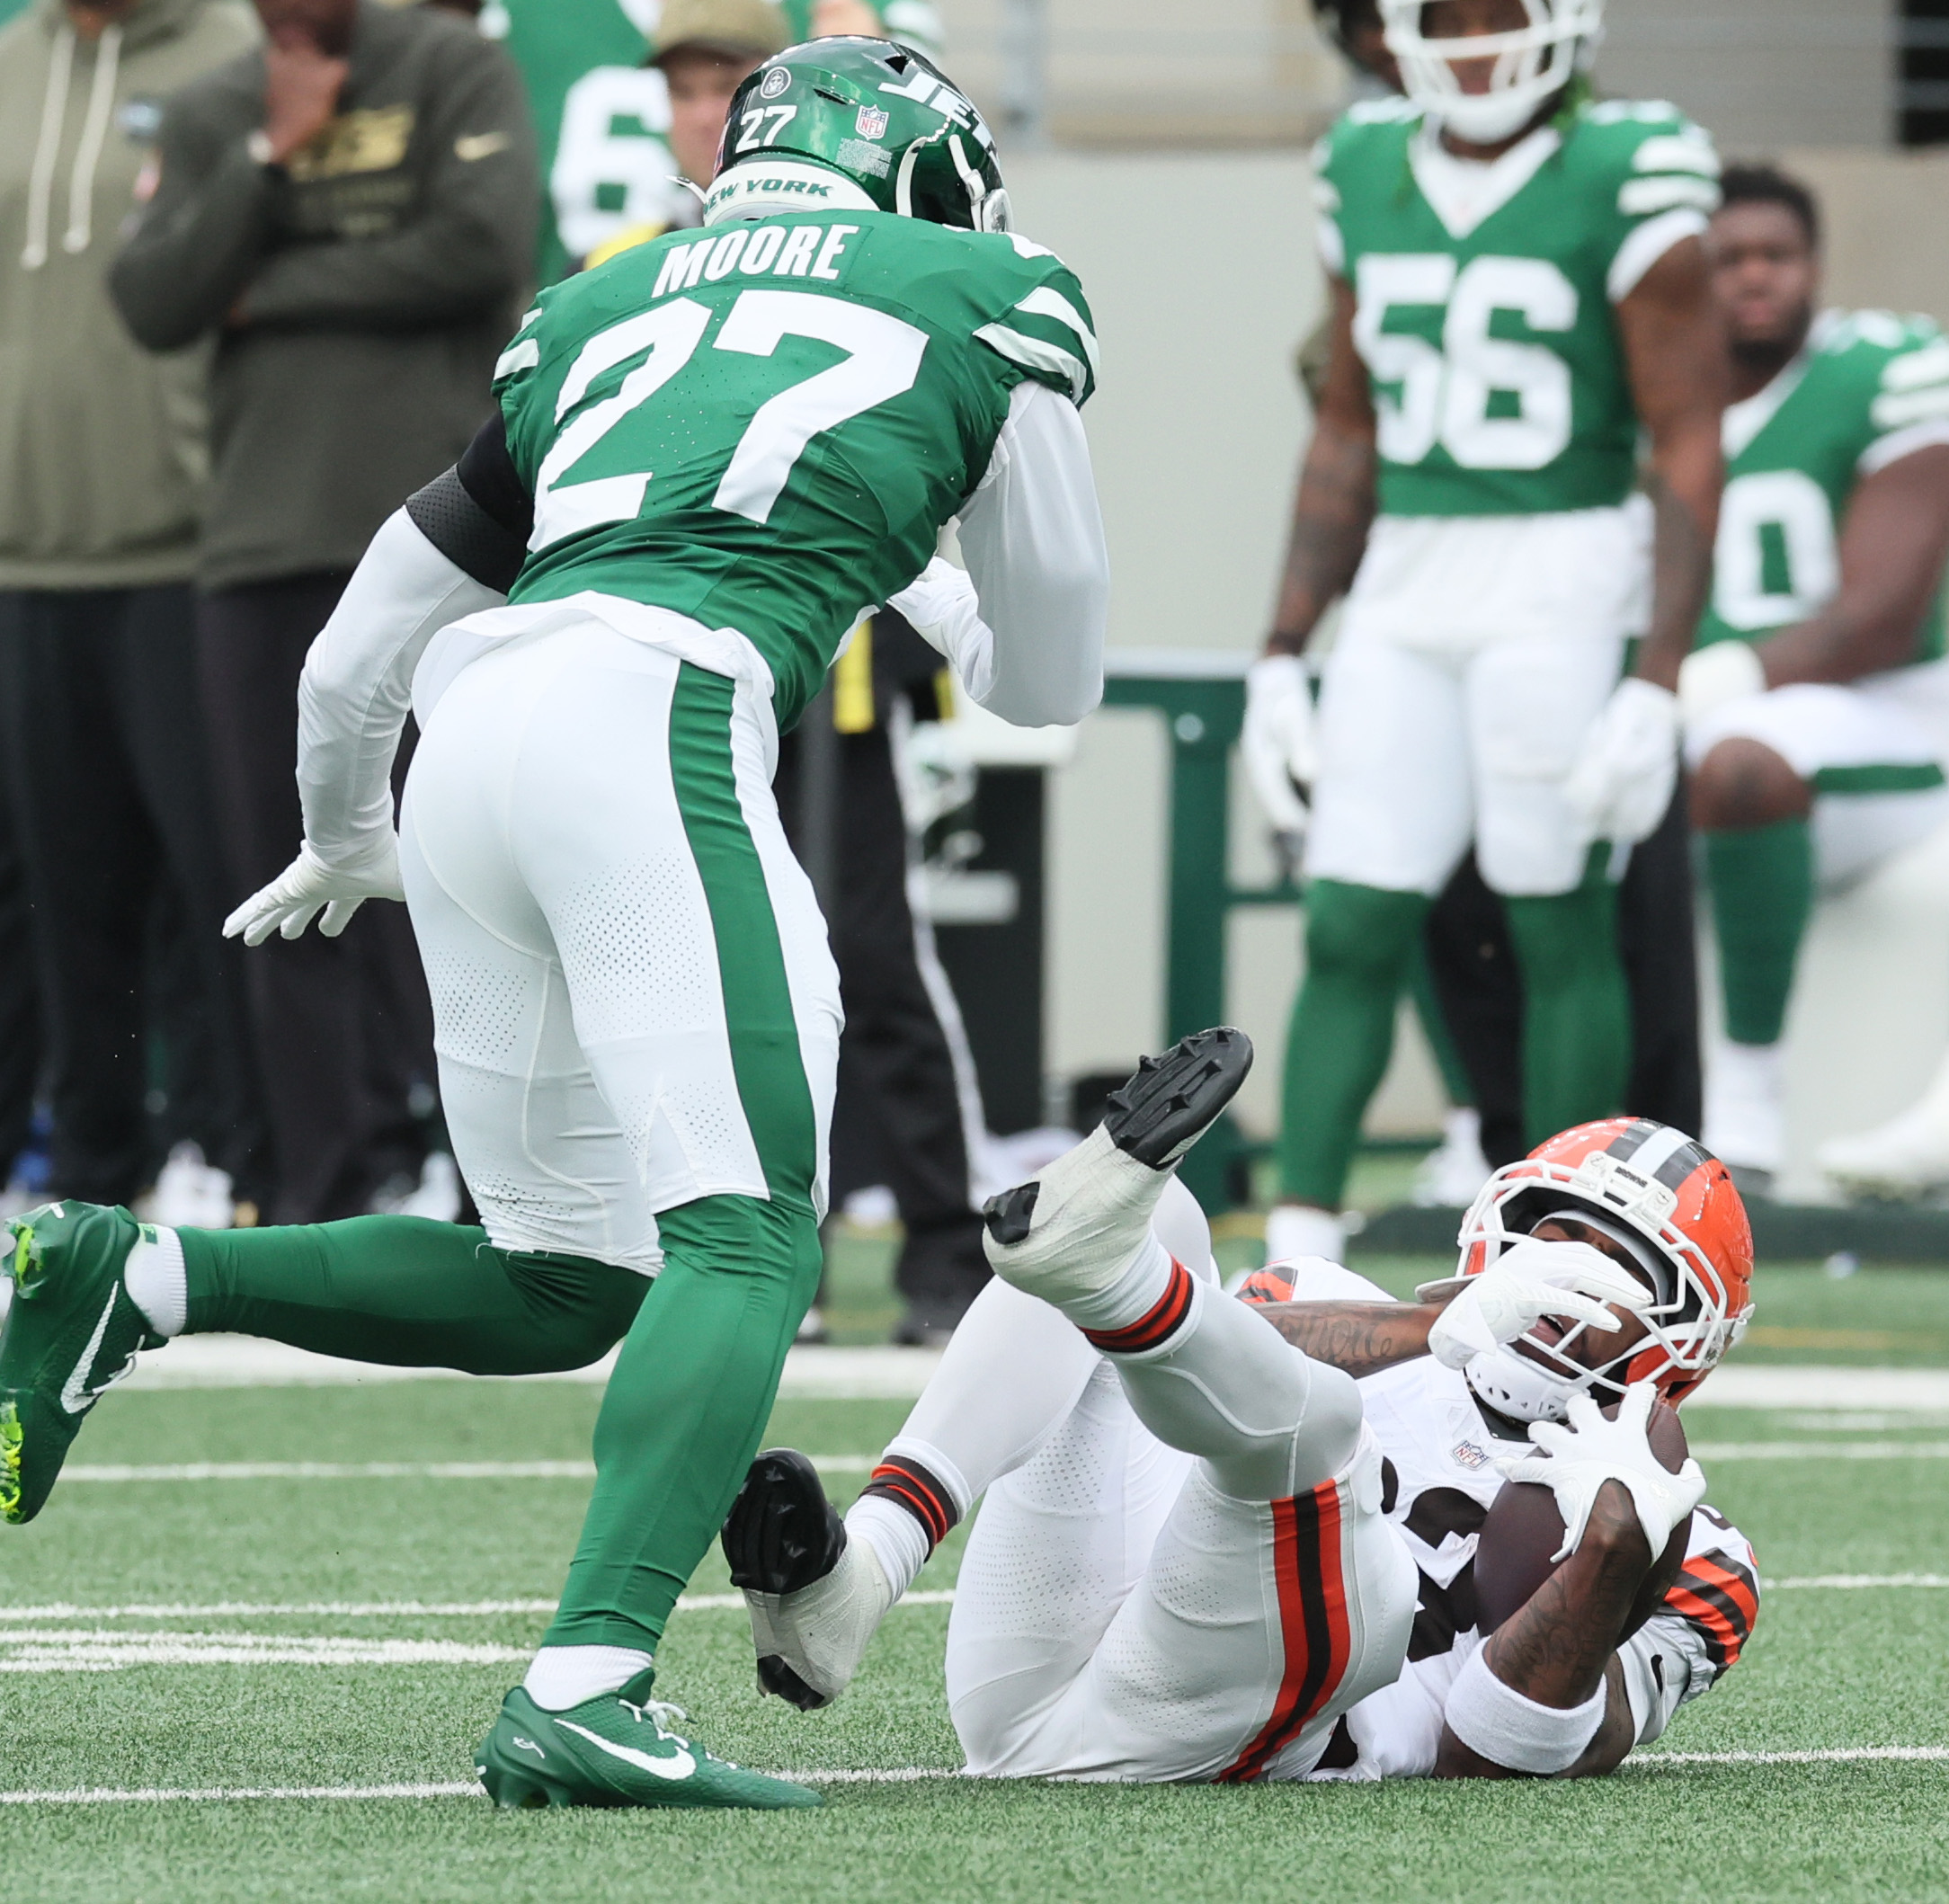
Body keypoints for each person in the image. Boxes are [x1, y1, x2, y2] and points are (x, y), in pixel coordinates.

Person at [3, 36, 1108, 1812]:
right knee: (747, 1241)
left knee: (562, 1279)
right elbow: (1054, 670)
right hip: (656, 716)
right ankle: (588, 1682)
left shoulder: (598, 308)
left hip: (476, 732)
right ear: (922, 178)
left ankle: (135, 1275)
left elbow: (365, 633)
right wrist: (941, 581)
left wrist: (344, 829)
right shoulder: (987, 287)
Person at [726, 1045, 1756, 1782]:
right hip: (1038, 1658)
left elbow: (1491, 1752)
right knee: (1157, 1223)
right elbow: (1215, 1365)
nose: (1560, 1278)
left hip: (1203, 1730)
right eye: (1550, 1238)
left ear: (1683, 1330)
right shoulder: (1350, 1300)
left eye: (1611, 1270)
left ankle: (1110, 1281)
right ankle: (857, 1579)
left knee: (1311, 1428)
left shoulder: (1696, 1541)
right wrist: (1426, 1331)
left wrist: (1611, 1556)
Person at [1243, 0, 1725, 1265]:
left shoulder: (1630, 163)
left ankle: (1572, 1238)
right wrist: (1284, 643)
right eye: (1443, 12)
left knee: (1555, 911)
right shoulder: (1356, 160)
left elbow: (1684, 426)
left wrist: (1657, 672)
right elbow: (1347, 422)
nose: (1472, 40)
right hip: (1407, 570)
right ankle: (1299, 1246)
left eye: (1497, 12)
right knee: (1350, 915)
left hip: (1564, 564)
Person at [109, 0, 539, 1223]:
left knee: (462, 872)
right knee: (295, 877)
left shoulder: (455, 69)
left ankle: (497, 1186)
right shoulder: (213, 112)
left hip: (451, 539)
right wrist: (266, 160)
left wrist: (264, 281)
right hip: (257, 540)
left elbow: (481, 249)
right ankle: (325, 1192)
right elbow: (150, 296)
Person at [0, 0, 263, 1217]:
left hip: (192, 546)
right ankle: (93, 1171)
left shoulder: (238, 57)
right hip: (27, 558)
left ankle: (222, 1151)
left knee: (218, 885)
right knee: (67, 896)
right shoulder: (14, 61)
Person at [1677, 165, 1949, 1194]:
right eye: (1727, 258)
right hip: (1692, 718)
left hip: (1874, 715)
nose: (1752, 278)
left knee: (1745, 762)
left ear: (1815, 268)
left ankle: (1744, 1109)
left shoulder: (1884, 366)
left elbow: (1879, 614)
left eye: (1774, 256)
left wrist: (1722, 674)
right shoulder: (1652, 387)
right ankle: (1493, 1129)